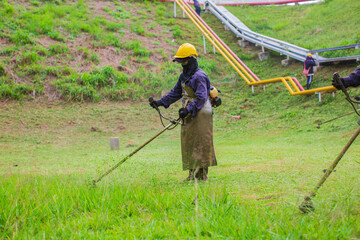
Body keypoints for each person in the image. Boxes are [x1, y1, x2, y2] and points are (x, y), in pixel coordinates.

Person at [149, 43, 217, 181]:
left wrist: (188, 109)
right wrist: (160, 102)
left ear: (192, 60)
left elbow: (201, 98)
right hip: (189, 112)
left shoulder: (199, 76)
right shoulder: (184, 76)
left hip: (201, 111)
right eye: (181, 61)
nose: (183, 64)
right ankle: (192, 174)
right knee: (189, 142)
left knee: (200, 142)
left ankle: (202, 175)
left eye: (184, 61)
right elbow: (175, 93)